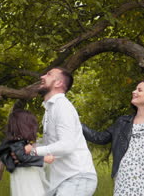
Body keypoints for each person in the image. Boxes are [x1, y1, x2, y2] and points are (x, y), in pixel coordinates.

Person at [83, 81, 144, 196]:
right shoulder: (123, 122)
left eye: (139, 90)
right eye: (135, 89)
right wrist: (76, 123)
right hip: (124, 181)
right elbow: (100, 137)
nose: (134, 92)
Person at [27, 67, 97, 196]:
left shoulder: (62, 106)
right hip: (62, 180)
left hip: (76, 177)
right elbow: (52, 145)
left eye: (48, 74)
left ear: (58, 83)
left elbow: (66, 145)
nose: (42, 77)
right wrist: (29, 147)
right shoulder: (51, 108)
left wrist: (33, 151)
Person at [0, 109, 55, 196]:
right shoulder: (17, 142)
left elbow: (22, 156)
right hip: (26, 178)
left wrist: (31, 150)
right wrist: (43, 159)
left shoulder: (15, 142)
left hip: (24, 176)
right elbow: (23, 158)